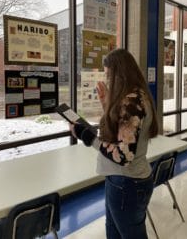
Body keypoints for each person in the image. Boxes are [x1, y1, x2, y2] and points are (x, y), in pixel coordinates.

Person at [70, 48, 158, 239]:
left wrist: (86, 136)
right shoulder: (138, 97)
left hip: (126, 183)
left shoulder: (132, 103)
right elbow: (122, 130)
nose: (108, 80)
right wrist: (106, 105)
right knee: (115, 232)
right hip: (126, 181)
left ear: (121, 74)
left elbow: (123, 155)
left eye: (110, 75)